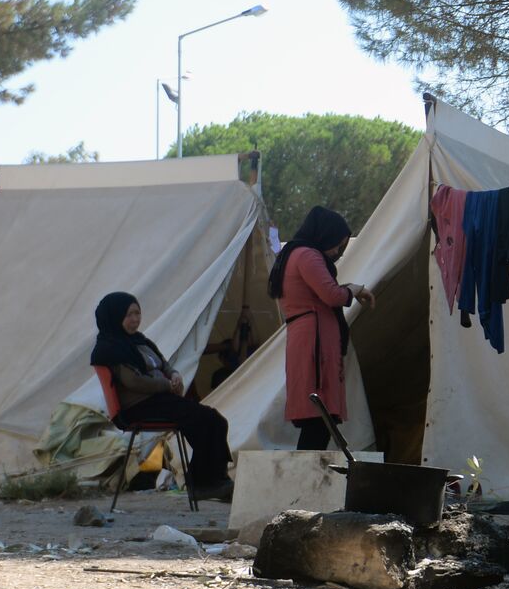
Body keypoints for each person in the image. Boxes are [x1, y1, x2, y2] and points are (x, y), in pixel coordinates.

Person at [90, 292, 235, 501]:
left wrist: (174, 374)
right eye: (129, 315)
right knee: (204, 419)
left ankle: (215, 479)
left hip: (159, 400)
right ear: (115, 317)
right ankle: (203, 484)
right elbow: (134, 381)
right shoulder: (109, 349)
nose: (135, 319)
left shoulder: (139, 341)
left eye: (137, 313)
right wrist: (166, 385)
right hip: (139, 406)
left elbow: (162, 363)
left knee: (215, 420)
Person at [268, 206, 375, 450]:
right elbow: (331, 295)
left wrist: (347, 289)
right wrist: (355, 289)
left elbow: (321, 293)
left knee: (319, 421)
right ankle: (305, 478)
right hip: (314, 342)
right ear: (325, 235)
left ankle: (306, 474)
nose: (337, 253)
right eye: (337, 245)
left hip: (308, 336)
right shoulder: (307, 255)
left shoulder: (294, 255)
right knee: (319, 416)